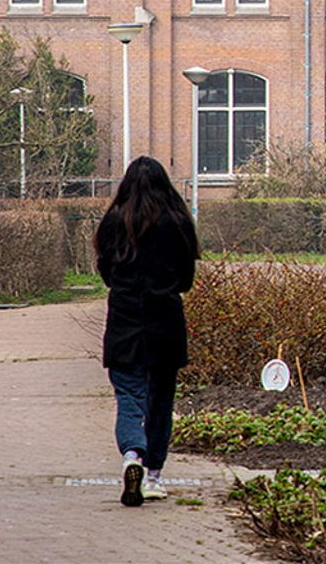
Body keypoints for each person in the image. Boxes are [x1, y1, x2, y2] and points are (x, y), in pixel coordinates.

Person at [95, 155, 200, 506]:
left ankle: (131, 457)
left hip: (124, 323)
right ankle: (153, 476)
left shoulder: (113, 222)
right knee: (160, 401)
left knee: (129, 398)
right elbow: (186, 279)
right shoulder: (177, 222)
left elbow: (106, 273)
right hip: (165, 322)